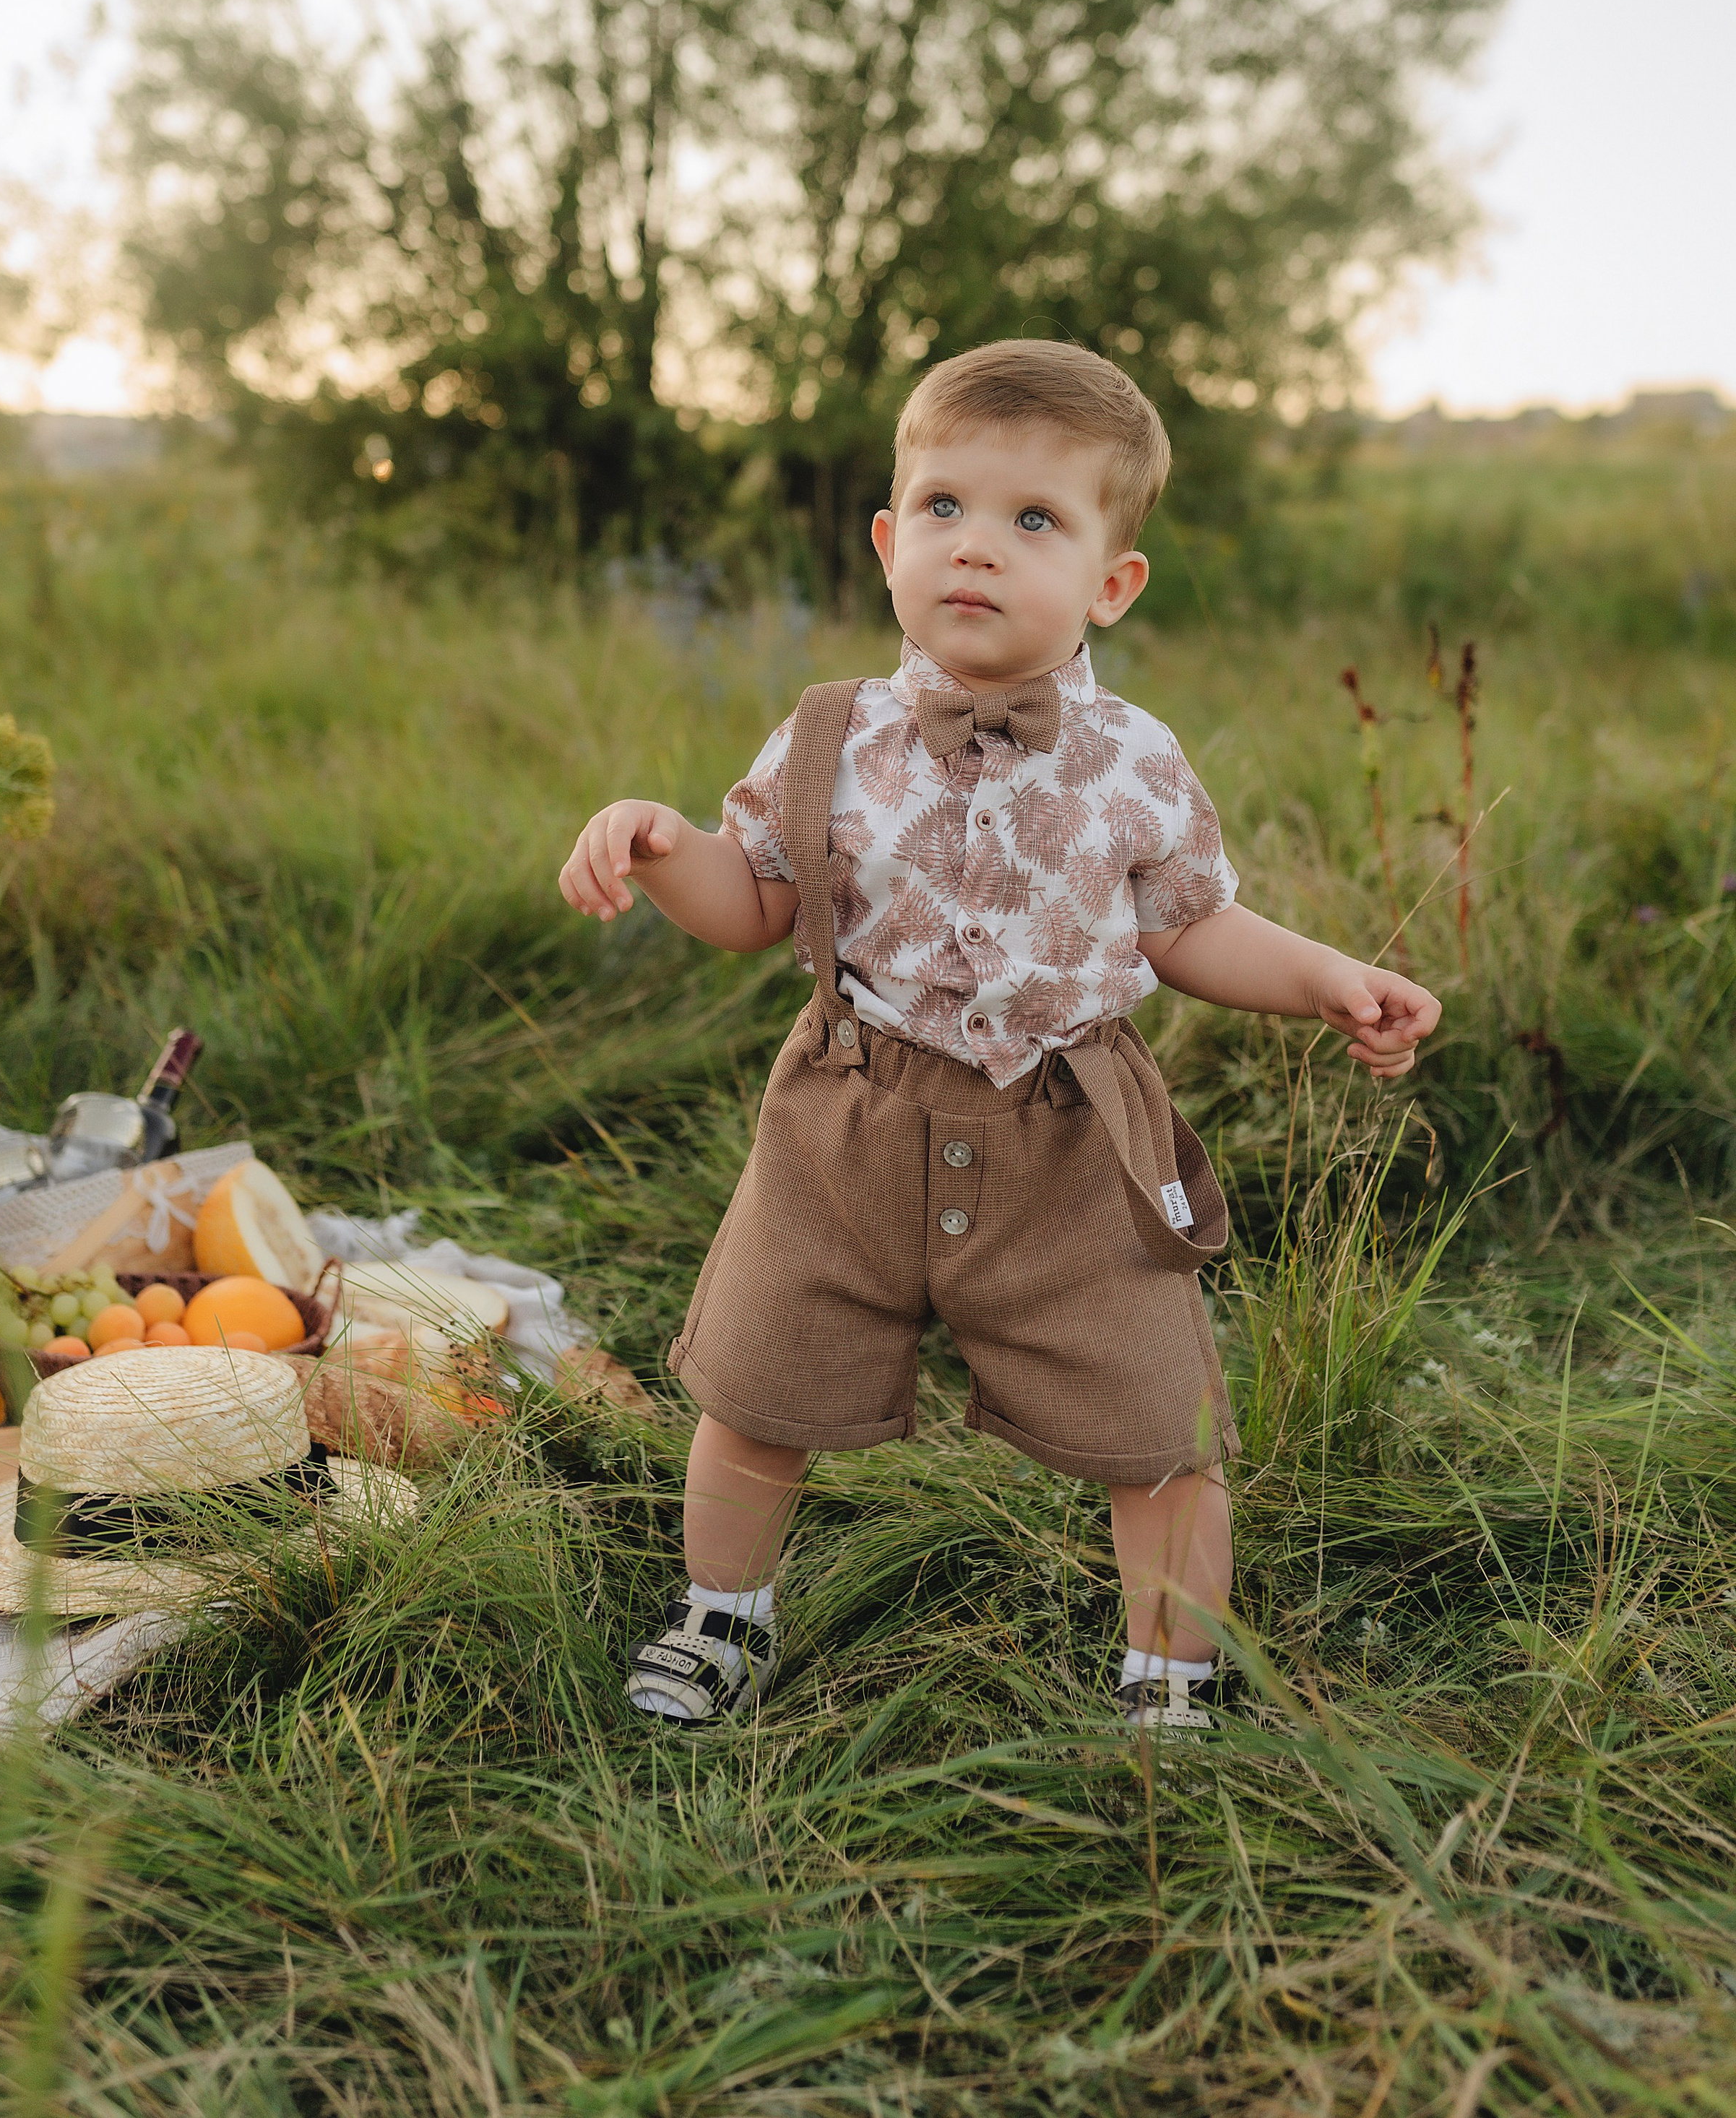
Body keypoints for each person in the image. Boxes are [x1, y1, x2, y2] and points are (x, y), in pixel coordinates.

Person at [558, 341, 1440, 1736]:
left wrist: (1327, 974)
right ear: (887, 538)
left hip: (1070, 1130)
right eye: (946, 507)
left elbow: (1193, 928)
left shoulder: (1135, 759)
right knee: (758, 1379)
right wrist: (661, 845)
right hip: (848, 1118)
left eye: (1035, 520)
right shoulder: (828, 735)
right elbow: (756, 902)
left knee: (1160, 1420)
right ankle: (721, 1613)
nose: (978, 548)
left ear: (1110, 581)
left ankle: (1171, 1677)